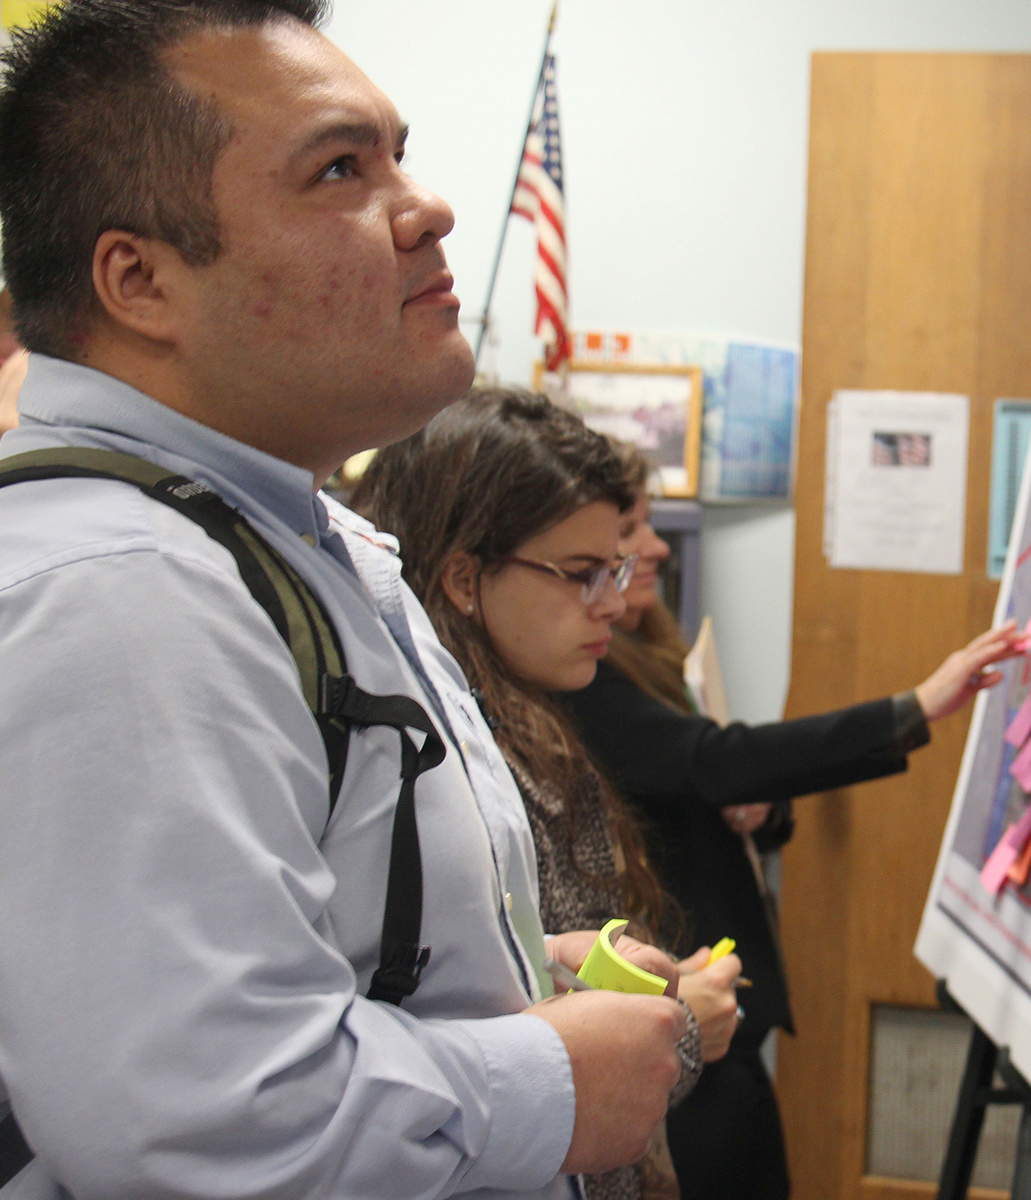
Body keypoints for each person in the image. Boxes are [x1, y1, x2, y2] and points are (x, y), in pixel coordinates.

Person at [0, 4, 686, 1197]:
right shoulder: (123, 598)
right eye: (338, 170)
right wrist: (545, 1082)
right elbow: (211, 1129)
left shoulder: (284, 537)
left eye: (397, 153)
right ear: (140, 280)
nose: (426, 208)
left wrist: (521, 978)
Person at [557, 450, 1024, 1200]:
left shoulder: (649, 654)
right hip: (684, 1014)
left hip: (723, 1002)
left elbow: (720, 789)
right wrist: (912, 709)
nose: (652, 548)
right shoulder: (586, 680)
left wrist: (766, 807)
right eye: (631, 530)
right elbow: (710, 762)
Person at [354, 388, 746, 1200]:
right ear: (464, 577)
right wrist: (680, 1030)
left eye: (617, 569)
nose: (611, 602)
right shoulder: (465, 753)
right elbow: (532, 1060)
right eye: (580, 575)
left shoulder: (524, 716)